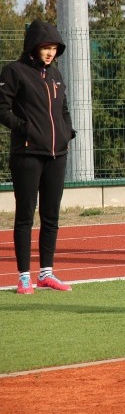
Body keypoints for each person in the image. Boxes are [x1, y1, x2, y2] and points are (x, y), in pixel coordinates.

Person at [0, 20, 75, 294]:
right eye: (45, 47)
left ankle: (46, 273)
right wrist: (24, 128)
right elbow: (2, 108)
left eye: (54, 48)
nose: (50, 53)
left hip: (57, 155)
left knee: (51, 216)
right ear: (33, 47)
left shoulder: (55, 75)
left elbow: (64, 110)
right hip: (27, 155)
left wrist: (66, 133)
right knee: (24, 217)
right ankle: (23, 277)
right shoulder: (14, 72)